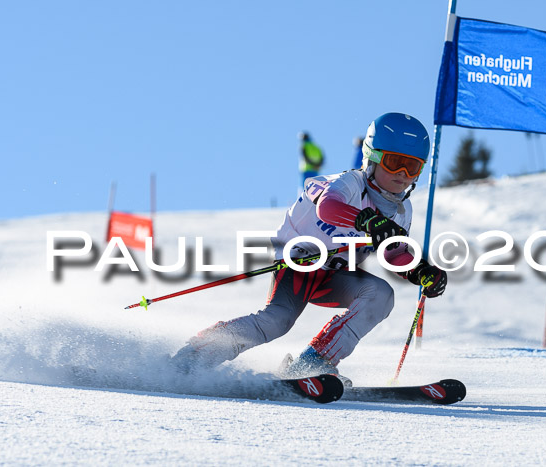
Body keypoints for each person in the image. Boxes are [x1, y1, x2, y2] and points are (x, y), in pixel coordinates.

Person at [171, 112, 447, 378]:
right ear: (372, 158)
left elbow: (393, 252)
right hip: (300, 264)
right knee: (277, 321)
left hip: (336, 275)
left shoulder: (401, 210)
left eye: (412, 167)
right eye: (394, 162)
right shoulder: (350, 183)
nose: (402, 174)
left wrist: (418, 271)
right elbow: (327, 207)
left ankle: (312, 364)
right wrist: (367, 221)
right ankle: (195, 355)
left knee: (381, 294)